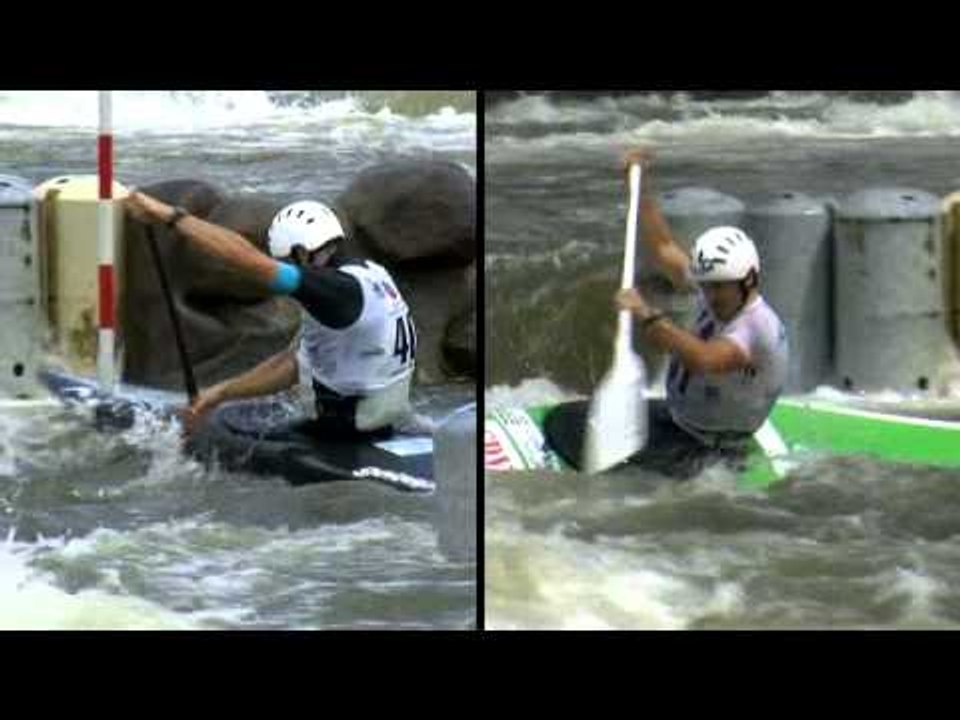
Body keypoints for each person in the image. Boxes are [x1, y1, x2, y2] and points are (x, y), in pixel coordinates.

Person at [125, 192, 417, 438]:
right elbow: (292, 364)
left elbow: (246, 260)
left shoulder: (335, 292)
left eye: (288, 261)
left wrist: (170, 217)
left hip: (343, 434)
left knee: (217, 429)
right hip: (381, 424)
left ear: (302, 253)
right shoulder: (372, 275)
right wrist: (218, 393)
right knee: (236, 411)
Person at [612, 148, 789, 476]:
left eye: (719, 287)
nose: (710, 294)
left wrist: (645, 312)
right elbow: (664, 247)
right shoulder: (719, 285)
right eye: (706, 285)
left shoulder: (756, 328)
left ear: (749, 279)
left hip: (711, 451)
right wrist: (637, 185)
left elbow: (703, 359)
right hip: (680, 422)